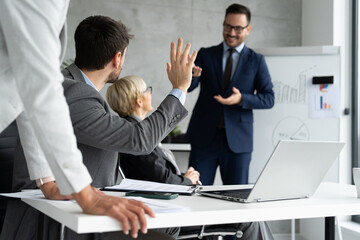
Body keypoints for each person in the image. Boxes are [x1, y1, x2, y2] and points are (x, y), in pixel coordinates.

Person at [0, 15, 197, 240]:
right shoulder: (74, 93)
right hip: (52, 221)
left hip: (72, 211)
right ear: (118, 58)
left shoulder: (69, 87)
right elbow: (138, 139)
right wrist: (179, 88)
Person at [106, 75, 275, 240]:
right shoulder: (139, 136)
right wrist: (186, 180)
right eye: (147, 90)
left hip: (169, 206)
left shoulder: (132, 131)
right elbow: (164, 182)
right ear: (139, 101)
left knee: (246, 213)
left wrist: (185, 178)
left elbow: (154, 175)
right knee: (249, 218)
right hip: (168, 214)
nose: (151, 93)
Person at [187, 4, 275, 188]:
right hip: (204, 138)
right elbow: (189, 87)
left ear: (248, 29)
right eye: (228, 26)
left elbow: (268, 98)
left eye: (238, 28)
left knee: (236, 198)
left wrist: (242, 98)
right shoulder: (206, 54)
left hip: (238, 142)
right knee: (195, 192)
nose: (232, 32)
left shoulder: (256, 60)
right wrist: (191, 75)